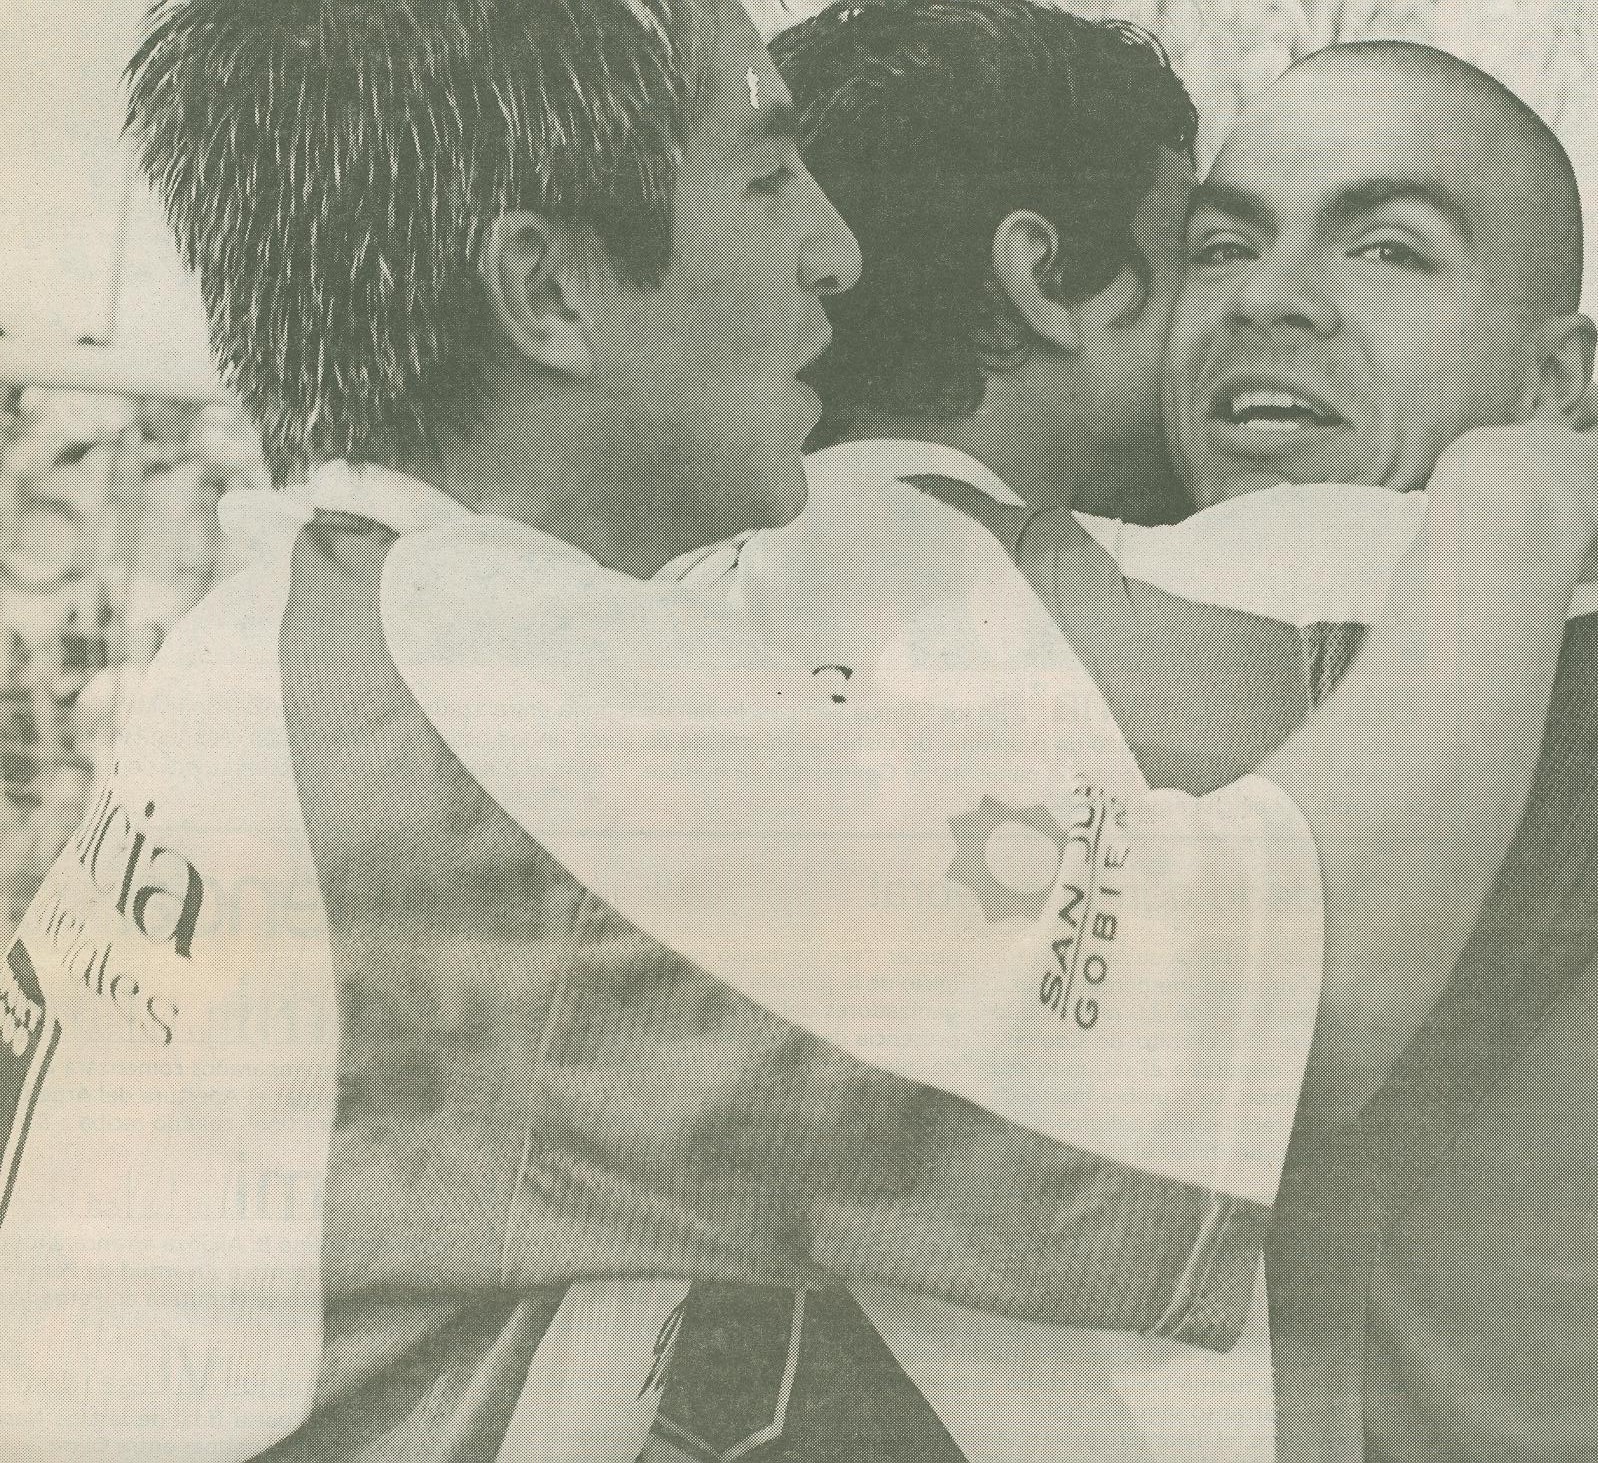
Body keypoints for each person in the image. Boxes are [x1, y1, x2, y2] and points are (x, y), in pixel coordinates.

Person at [0, 7, 1586, 1463]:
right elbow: (1305, 992)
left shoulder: (292, 632)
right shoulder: (531, 736)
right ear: (549, 292)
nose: (837, 250)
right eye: (766, 181)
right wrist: (1520, 488)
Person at [668, 10, 1598, 1460]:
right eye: (1215, 247)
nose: (1266, 300)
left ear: (1557, 383)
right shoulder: (1283, 592)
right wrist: (1517, 496)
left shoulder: (676, 599)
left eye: (1386, 248)